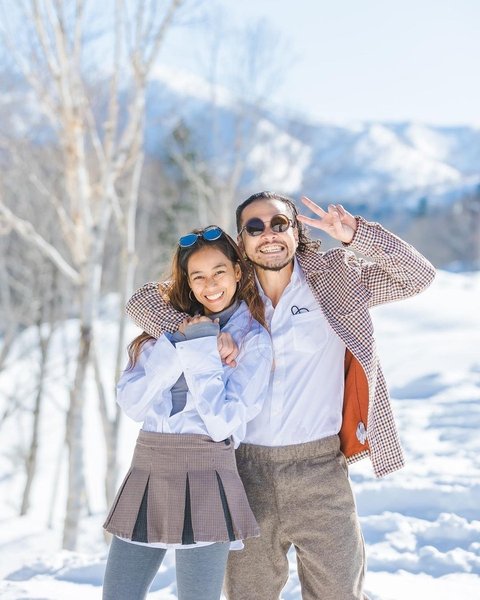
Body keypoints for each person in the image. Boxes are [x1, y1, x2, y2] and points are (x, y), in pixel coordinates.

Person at [124, 193, 436, 600]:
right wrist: (198, 329)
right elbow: (141, 301)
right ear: (242, 240)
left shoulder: (335, 282)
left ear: (296, 230)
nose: (268, 234)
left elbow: (419, 276)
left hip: (319, 471)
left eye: (279, 223)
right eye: (255, 227)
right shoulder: (226, 289)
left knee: (340, 593)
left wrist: (356, 235)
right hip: (240, 470)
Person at [102, 225, 272, 600]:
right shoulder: (168, 328)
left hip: (206, 471)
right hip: (148, 465)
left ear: (238, 272)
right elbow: (133, 404)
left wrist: (202, 352)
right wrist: (181, 341)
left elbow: (221, 424)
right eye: (198, 277)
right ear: (188, 283)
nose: (210, 285)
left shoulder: (254, 342)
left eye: (219, 272)